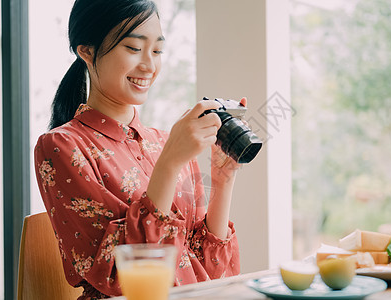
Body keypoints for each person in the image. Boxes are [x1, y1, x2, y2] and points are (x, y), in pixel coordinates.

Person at [33, 0, 241, 298]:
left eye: (157, 51)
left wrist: (223, 179)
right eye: (133, 48)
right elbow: (121, 277)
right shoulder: (61, 146)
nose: (149, 65)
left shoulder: (166, 142)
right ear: (87, 51)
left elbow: (210, 271)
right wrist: (169, 163)